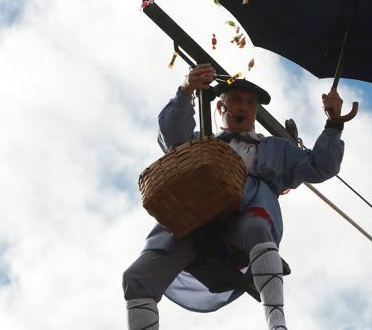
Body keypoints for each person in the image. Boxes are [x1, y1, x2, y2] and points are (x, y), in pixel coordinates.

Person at [123, 63, 348, 330]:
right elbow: (171, 135)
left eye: (250, 103)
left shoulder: (276, 149)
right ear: (220, 107)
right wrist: (186, 90)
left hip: (242, 219)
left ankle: (277, 322)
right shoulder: (201, 142)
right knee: (136, 277)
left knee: (256, 227)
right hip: (194, 220)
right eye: (237, 100)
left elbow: (321, 165)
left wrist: (334, 123)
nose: (244, 107)